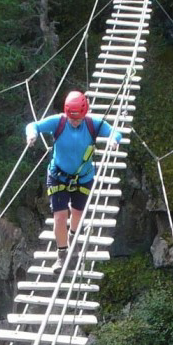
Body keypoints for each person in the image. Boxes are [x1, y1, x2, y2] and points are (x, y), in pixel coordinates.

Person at [25, 90, 123, 269]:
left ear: (85, 113)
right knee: (60, 217)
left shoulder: (93, 124)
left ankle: (73, 235)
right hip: (58, 176)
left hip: (84, 178)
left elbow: (115, 132)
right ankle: (62, 254)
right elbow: (34, 125)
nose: (75, 122)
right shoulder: (59, 122)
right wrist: (31, 134)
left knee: (77, 214)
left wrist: (113, 140)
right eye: (72, 118)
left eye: (78, 119)